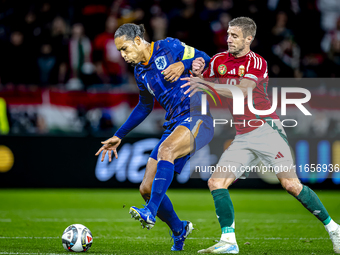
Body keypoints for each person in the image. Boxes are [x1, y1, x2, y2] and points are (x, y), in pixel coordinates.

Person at [181, 17, 340, 254]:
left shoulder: (257, 63)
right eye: (228, 34)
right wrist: (198, 72)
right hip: (243, 135)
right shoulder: (218, 60)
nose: (228, 39)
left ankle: (334, 229)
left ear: (248, 39)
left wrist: (207, 85)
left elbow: (241, 91)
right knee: (216, 182)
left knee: (291, 185)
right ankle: (229, 242)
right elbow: (202, 77)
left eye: (234, 36)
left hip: (267, 130)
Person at [95, 23, 214, 251]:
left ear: (138, 40)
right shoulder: (140, 71)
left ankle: (150, 211)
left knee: (165, 150)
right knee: (145, 188)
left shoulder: (169, 47)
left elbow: (207, 59)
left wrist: (183, 64)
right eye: (120, 51)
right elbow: (144, 106)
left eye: (125, 49)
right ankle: (180, 229)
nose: (123, 55)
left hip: (197, 115)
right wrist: (119, 135)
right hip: (174, 123)